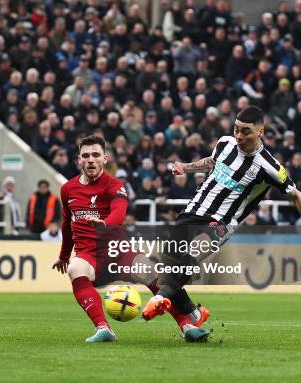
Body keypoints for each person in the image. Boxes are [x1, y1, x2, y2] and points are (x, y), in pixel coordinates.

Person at [141, 106, 301, 339]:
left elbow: (296, 195)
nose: (239, 136)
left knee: (192, 255)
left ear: (261, 131)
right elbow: (212, 161)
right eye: (236, 129)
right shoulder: (225, 143)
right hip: (193, 211)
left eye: (246, 132)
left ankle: (160, 300)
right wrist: (186, 168)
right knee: (167, 268)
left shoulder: (269, 166)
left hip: (221, 223)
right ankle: (193, 314)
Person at [52, 136, 209, 343]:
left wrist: (104, 223)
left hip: (120, 251)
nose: (91, 160)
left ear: (105, 159)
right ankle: (104, 329)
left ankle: (187, 325)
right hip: (89, 255)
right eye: (86, 155)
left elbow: (119, 212)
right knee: (75, 269)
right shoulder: (68, 189)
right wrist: (64, 256)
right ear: (79, 160)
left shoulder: (115, 185)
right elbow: (66, 224)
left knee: (155, 274)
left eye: (96, 155)